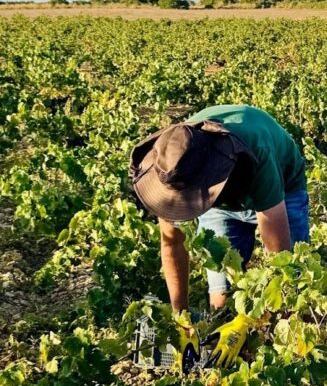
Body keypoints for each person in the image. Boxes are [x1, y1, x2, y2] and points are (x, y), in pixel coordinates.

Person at [130, 105, 309, 316]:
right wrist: (181, 315)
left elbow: (280, 255)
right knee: (221, 305)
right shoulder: (173, 170)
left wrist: (267, 315)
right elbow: (172, 243)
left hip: (284, 188)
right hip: (219, 202)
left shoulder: (257, 154)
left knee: (293, 291)